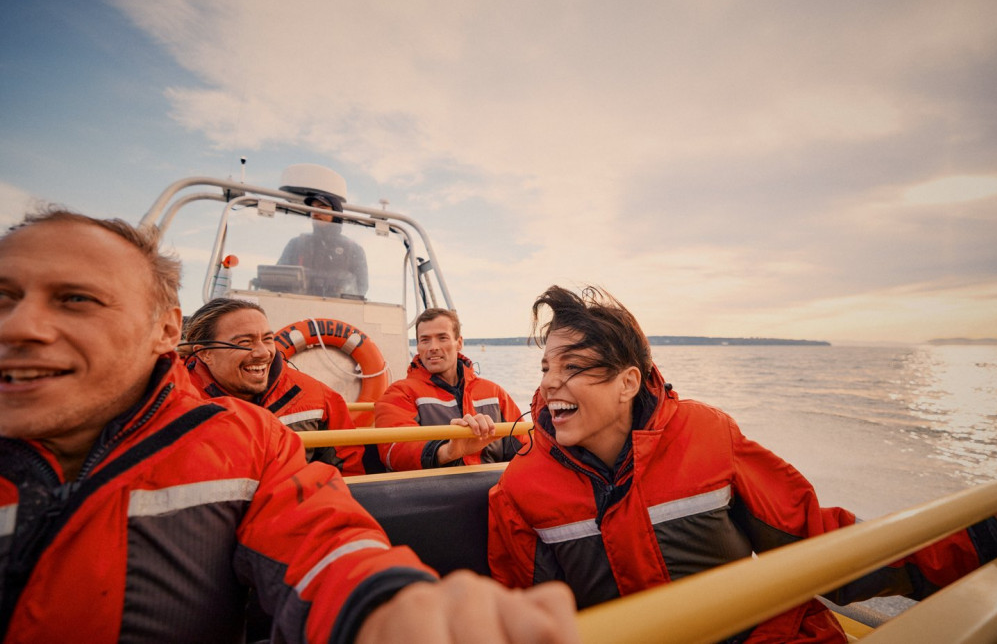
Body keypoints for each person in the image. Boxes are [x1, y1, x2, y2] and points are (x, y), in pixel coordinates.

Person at [0, 208, 579, 643]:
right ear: (190, 344)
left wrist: (384, 610)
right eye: (4, 298)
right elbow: (394, 455)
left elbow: (325, 544)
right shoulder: (395, 395)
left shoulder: (246, 440)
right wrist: (453, 453)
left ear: (163, 331)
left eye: (74, 299)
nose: (22, 326)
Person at [488, 285, 997, 643]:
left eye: (573, 367)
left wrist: (979, 539)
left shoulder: (706, 436)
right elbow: (532, 621)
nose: (549, 383)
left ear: (626, 382)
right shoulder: (521, 488)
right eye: (546, 367)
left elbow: (814, 541)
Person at [182, 297, 366, 475]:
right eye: (244, 342)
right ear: (205, 353)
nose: (263, 352)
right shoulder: (173, 400)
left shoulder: (317, 397)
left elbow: (349, 473)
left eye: (268, 339)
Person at [374, 308, 527, 472]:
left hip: (494, 487)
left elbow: (525, 444)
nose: (433, 347)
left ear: (459, 343)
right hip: (435, 491)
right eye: (425, 340)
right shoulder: (400, 393)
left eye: (442, 338)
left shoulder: (495, 393)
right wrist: (447, 452)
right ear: (418, 346)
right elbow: (393, 451)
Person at [278, 194, 368, 298]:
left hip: (337, 309)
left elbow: (361, 287)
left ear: (336, 214)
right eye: (312, 209)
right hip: (299, 305)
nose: (315, 213)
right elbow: (278, 277)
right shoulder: (296, 244)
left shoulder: (353, 249)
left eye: (322, 208)